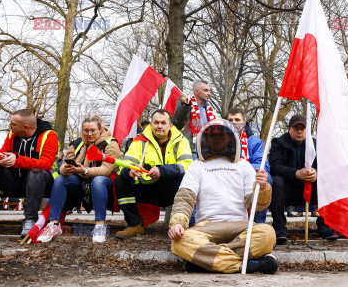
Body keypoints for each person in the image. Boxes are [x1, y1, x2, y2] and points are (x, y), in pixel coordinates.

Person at [168, 119, 277, 274]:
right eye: (212, 134)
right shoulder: (197, 166)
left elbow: (256, 205)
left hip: (241, 227)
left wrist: (263, 187)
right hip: (206, 228)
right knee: (179, 242)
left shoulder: (244, 165)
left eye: (222, 133)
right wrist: (177, 223)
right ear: (205, 139)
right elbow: (185, 198)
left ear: (230, 137)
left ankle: (206, 262)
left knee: (268, 234)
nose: (217, 136)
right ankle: (244, 266)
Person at [37, 115, 120, 243]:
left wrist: (85, 170)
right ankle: (53, 224)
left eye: (93, 130)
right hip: (81, 184)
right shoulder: (76, 143)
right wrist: (66, 169)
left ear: (100, 129)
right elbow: (64, 164)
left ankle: (100, 226)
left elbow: (106, 170)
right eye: (85, 131)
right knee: (60, 179)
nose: (89, 134)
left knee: (98, 180)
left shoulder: (111, 144)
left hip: (104, 186)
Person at [114, 109, 192, 239]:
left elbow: (187, 165)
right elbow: (125, 163)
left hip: (170, 190)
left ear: (170, 125)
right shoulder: (139, 141)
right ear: (151, 124)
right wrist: (130, 171)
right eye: (156, 122)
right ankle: (135, 224)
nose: (159, 126)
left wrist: (163, 171)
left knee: (186, 179)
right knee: (120, 180)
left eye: (163, 123)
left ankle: (181, 224)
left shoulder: (181, 141)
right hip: (145, 187)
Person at [0, 109, 58, 237]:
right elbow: (1, 153)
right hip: (15, 181)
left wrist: (17, 160)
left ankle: (30, 220)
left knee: (36, 173)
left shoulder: (49, 135)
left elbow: (46, 164)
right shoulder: (12, 134)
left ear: (26, 127)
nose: (9, 126)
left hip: (42, 184)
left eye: (13, 124)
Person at [268, 114, 321, 244]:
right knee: (277, 180)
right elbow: (274, 167)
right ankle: (279, 227)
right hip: (287, 189)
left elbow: (324, 165)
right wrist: (296, 173)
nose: (299, 131)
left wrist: (316, 173)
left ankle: (325, 224)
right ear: (289, 129)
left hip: (310, 189)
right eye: (295, 128)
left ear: (307, 130)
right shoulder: (278, 143)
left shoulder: (314, 144)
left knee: (325, 180)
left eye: (302, 128)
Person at [227, 107, 272, 224]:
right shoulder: (219, 141)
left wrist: (239, 168)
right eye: (230, 120)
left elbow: (263, 165)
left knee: (266, 178)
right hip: (225, 175)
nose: (233, 122)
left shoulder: (254, 142)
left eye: (237, 119)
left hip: (249, 176)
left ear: (244, 123)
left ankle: (257, 223)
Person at [173, 80, 219, 157]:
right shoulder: (186, 105)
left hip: (209, 151)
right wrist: (185, 105)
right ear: (196, 91)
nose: (209, 93)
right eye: (205, 90)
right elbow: (177, 125)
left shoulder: (211, 111)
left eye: (209, 91)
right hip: (191, 151)